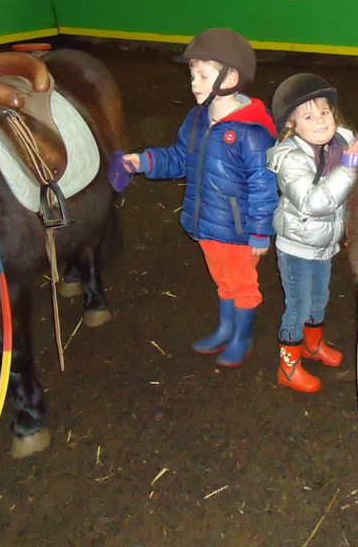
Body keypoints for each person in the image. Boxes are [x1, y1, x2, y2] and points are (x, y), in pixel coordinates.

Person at [112, 28, 278, 367]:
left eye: (202, 75)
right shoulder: (197, 119)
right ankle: (226, 328)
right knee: (222, 281)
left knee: (243, 285)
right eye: (192, 75)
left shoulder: (251, 132)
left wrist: (261, 230)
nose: (193, 83)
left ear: (230, 78)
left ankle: (242, 337)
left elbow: (264, 184)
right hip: (205, 222)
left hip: (237, 229)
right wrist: (143, 161)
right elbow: (179, 158)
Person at [267, 74, 358, 393]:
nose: (320, 120)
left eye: (324, 112)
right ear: (291, 125)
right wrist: (348, 168)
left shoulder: (341, 145)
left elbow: (351, 193)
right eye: (308, 116)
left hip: (325, 244)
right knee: (298, 306)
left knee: (319, 300)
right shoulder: (290, 158)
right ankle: (288, 366)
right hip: (297, 246)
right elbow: (314, 203)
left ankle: (311, 345)